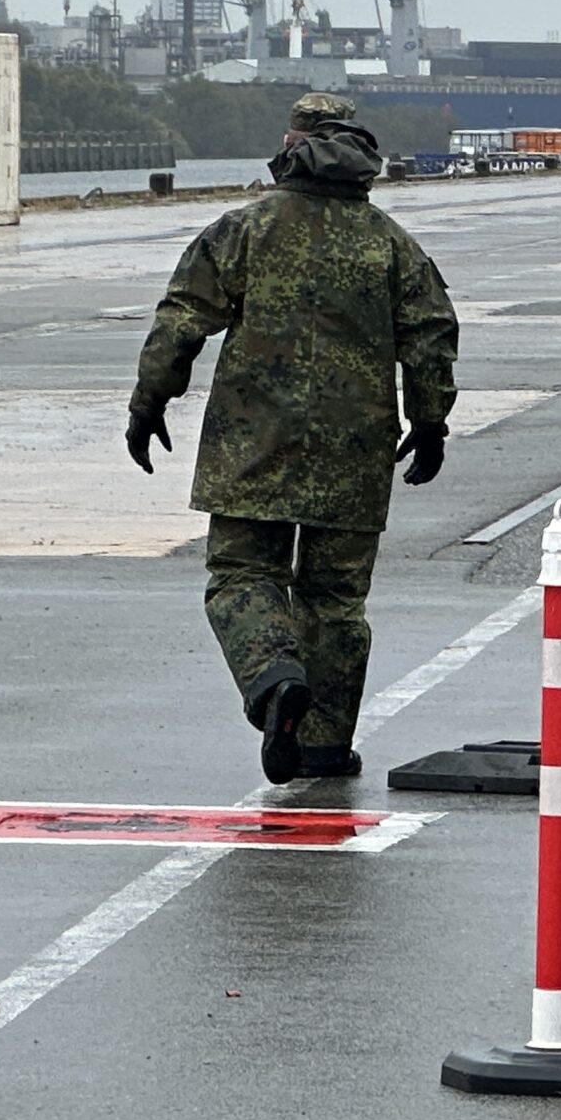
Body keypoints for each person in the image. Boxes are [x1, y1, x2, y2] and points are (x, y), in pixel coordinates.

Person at [126, 92, 457, 785]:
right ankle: (322, 746)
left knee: (242, 575)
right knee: (335, 600)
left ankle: (273, 677)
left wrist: (149, 401)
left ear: (290, 143)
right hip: (355, 448)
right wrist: (430, 421)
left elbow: (182, 317)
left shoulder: (244, 230)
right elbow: (430, 337)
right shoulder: (389, 243)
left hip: (253, 443)